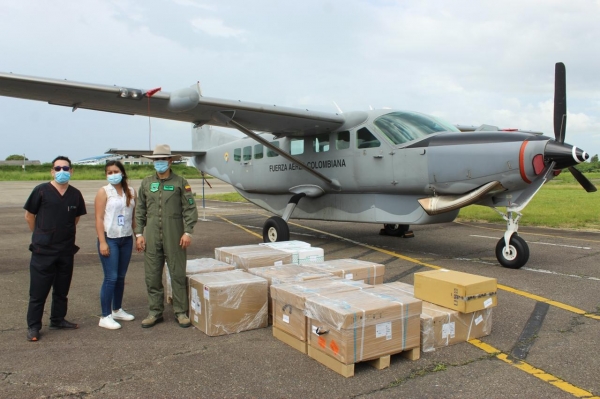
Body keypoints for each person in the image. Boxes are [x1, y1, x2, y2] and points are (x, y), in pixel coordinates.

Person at [24, 156, 87, 341]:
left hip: (66, 250)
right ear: (52, 171)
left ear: (71, 171)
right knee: (38, 291)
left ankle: (58, 319)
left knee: (62, 289)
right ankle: (34, 326)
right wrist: (39, 235)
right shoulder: (41, 191)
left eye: (65, 168)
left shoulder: (75, 194)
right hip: (43, 250)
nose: (62, 171)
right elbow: (29, 215)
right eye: (57, 168)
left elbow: (76, 218)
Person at [135, 144, 198, 328]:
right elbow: (140, 209)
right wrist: (139, 233)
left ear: (170, 161)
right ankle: (155, 312)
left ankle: (180, 312)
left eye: (162, 159)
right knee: (152, 275)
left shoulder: (180, 182)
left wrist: (188, 232)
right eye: (156, 160)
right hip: (152, 235)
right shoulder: (146, 183)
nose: (159, 163)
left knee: (177, 273)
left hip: (175, 234)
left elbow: (190, 208)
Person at [94, 160, 137, 330]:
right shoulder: (104, 192)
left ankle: (117, 309)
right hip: (109, 237)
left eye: (115, 171)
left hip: (126, 238)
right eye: (109, 172)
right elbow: (98, 218)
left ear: (123, 172)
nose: (112, 175)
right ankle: (105, 315)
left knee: (120, 276)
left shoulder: (131, 192)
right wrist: (102, 242)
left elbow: (133, 217)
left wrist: (138, 236)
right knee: (110, 277)